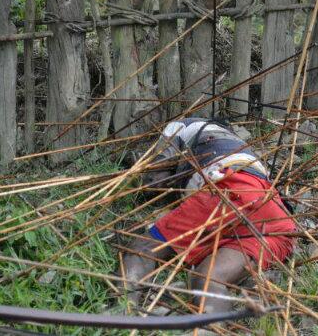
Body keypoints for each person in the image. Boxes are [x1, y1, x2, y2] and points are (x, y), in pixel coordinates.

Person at [122, 118, 295, 313]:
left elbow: (153, 178)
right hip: (277, 221)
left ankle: (121, 311)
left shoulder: (181, 126)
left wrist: (134, 177)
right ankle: (216, 329)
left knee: (143, 247)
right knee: (206, 279)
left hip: (231, 191)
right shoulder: (237, 147)